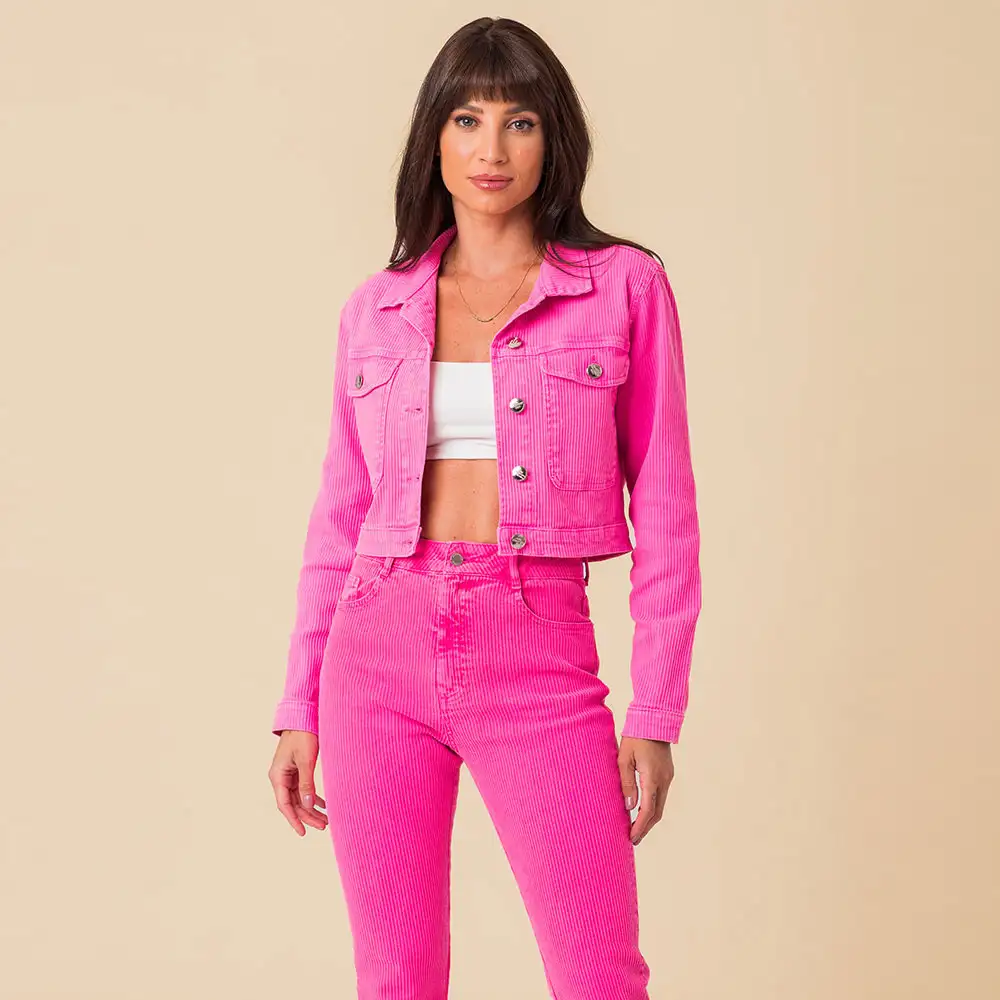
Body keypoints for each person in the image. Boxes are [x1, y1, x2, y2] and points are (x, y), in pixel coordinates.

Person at [267, 16, 702, 1000]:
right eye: (466, 119)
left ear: (554, 139)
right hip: (374, 649)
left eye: (519, 121)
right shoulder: (375, 308)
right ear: (434, 137)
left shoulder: (623, 288)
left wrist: (656, 709)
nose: (491, 148)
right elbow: (339, 515)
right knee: (396, 978)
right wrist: (297, 703)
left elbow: (668, 509)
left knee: (598, 974)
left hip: (536, 642)